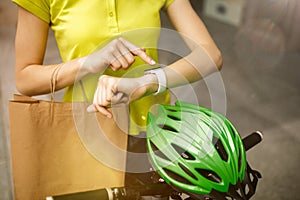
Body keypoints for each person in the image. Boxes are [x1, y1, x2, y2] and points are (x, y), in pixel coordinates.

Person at [12, 0, 222, 135]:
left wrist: (147, 82)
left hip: (156, 130)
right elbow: (25, 78)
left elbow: (211, 55)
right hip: (88, 132)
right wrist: (87, 63)